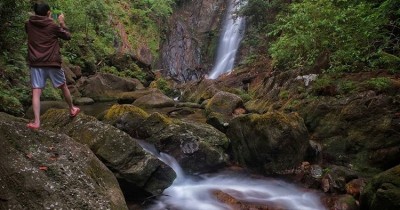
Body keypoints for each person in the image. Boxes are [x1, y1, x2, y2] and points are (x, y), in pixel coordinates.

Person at [25, 2, 80, 129]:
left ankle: (37, 122)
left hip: (36, 63)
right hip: (52, 62)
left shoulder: (29, 24)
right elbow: (67, 36)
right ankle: (71, 109)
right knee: (63, 86)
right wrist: (61, 23)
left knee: (36, 92)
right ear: (48, 13)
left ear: (35, 12)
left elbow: (34, 30)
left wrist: (47, 20)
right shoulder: (53, 26)